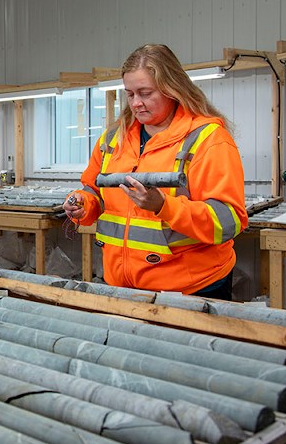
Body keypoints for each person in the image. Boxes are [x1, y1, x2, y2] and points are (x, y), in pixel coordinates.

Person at [64, 44, 248, 300]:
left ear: (172, 89)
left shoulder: (207, 140)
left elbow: (227, 222)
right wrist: (83, 204)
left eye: (145, 93)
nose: (136, 103)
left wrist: (164, 206)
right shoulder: (113, 140)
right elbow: (93, 189)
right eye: (130, 94)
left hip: (191, 291)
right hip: (123, 287)